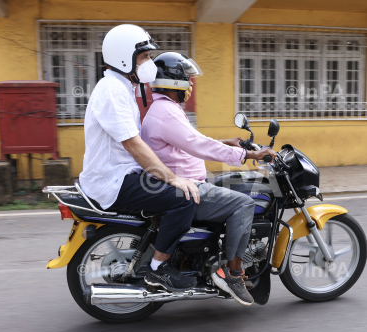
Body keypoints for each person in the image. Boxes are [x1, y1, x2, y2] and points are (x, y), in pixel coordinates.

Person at [141, 52, 276, 306]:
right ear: (174, 82)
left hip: (187, 180)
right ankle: (233, 273)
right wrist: (250, 154)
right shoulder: (166, 112)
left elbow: (189, 141)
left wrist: (227, 142)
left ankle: (219, 253)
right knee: (244, 204)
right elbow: (198, 145)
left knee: (236, 184)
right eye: (188, 80)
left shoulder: (165, 108)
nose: (191, 85)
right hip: (186, 186)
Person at [79, 25, 200, 292]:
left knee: (180, 189)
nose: (149, 64)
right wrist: (173, 178)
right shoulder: (112, 90)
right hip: (114, 181)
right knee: (184, 199)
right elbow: (133, 144)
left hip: (121, 174)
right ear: (124, 58)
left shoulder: (122, 87)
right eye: (144, 57)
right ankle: (158, 270)